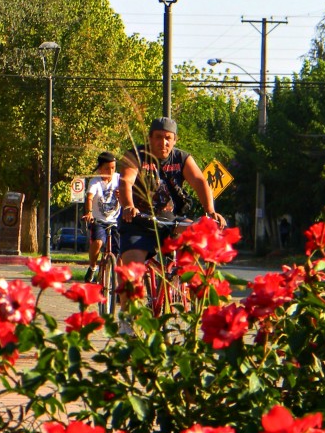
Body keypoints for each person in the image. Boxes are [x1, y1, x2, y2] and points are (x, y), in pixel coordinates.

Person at [117, 117, 226, 332]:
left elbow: (199, 181)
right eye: (158, 137)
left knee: (196, 256)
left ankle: (199, 309)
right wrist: (129, 206)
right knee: (131, 268)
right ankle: (127, 320)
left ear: (175, 140)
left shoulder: (182, 158)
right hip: (139, 222)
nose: (163, 143)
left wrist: (210, 211)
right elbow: (126, 181)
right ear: (149, 138)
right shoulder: (135, 155)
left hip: (171, 221)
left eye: (168, 138)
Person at [81, 151, 121, 283]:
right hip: (99, 220)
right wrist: (89, 213)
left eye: (113, 168)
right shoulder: (95, 181)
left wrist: (122, 195)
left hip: (116, 221)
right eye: (106, 168)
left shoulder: (119, 179)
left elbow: (129, 194)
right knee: (98, 242)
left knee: (119, 252)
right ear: (99, 169)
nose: (110, 171)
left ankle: (116, 281)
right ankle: (92, 267)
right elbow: (90, 197)